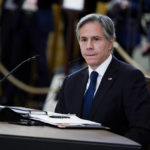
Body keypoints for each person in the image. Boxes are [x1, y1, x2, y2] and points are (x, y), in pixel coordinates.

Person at [55, 13, 150, 149]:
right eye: (83, 39)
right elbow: (58, 126)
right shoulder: (71, 82)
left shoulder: (131, 78)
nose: (89, 46)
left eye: (96, 39)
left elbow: (142, 131)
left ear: (110, 42)